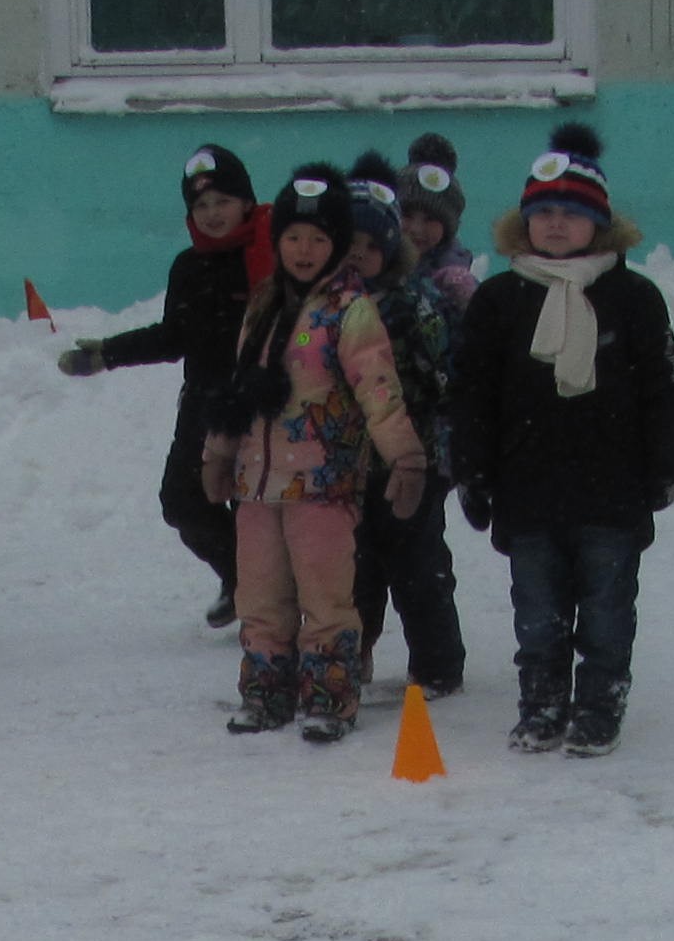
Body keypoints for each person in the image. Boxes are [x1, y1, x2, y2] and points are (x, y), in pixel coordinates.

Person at [449, 123, 674, 758]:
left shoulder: (634, 298)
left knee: (608, 607)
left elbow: (667, 386)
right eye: (543, 212)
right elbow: (471, 391)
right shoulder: (499, 300)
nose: (556, 225)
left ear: (600, 223)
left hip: (612, 486)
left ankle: (599, 703)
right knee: (537, 609)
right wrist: (471, 471)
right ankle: (542, 702)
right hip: (527, 486)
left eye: (572, 213)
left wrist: (670, 464)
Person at [199, 164, 426, 744]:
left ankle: (329, 695)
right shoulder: (264, 305)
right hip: (256, 482)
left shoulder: (350, 311)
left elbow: (380, 393)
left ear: (337, 245)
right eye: (294, 238)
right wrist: (218, 454)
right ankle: (266, 692)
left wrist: (405, 459)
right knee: (259, 593)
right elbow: (236, 389)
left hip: (322, 484)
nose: (304, 250)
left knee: (325, 595)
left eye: (319, 239)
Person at [57, 143, 272, 628]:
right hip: (203, 406)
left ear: (245, 200)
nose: (213, 214)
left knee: (262, 509)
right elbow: (173, 337)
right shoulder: (189, 266)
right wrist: (106, 353)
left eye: (222, 201)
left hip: (264, 405)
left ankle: (273, 601)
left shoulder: (272, 253)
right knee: (183, 502)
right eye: (201, 206)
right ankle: (241, 579)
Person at [343, 153, 465, 699]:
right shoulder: (331, 303)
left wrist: (441, 444)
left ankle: (437, 664)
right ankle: (353, 650)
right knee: (355, 562)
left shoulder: (417, 301)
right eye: (352, 246)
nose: (360, 257)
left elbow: (444, 377)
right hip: (349, 456)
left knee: (417, 562)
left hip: (415, 453)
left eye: (373, 247)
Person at [394, 132, 478, 331]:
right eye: (407, 215)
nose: (416, 229)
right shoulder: (375, 264)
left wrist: (469, 305)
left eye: (430, 219)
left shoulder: (457, 280)